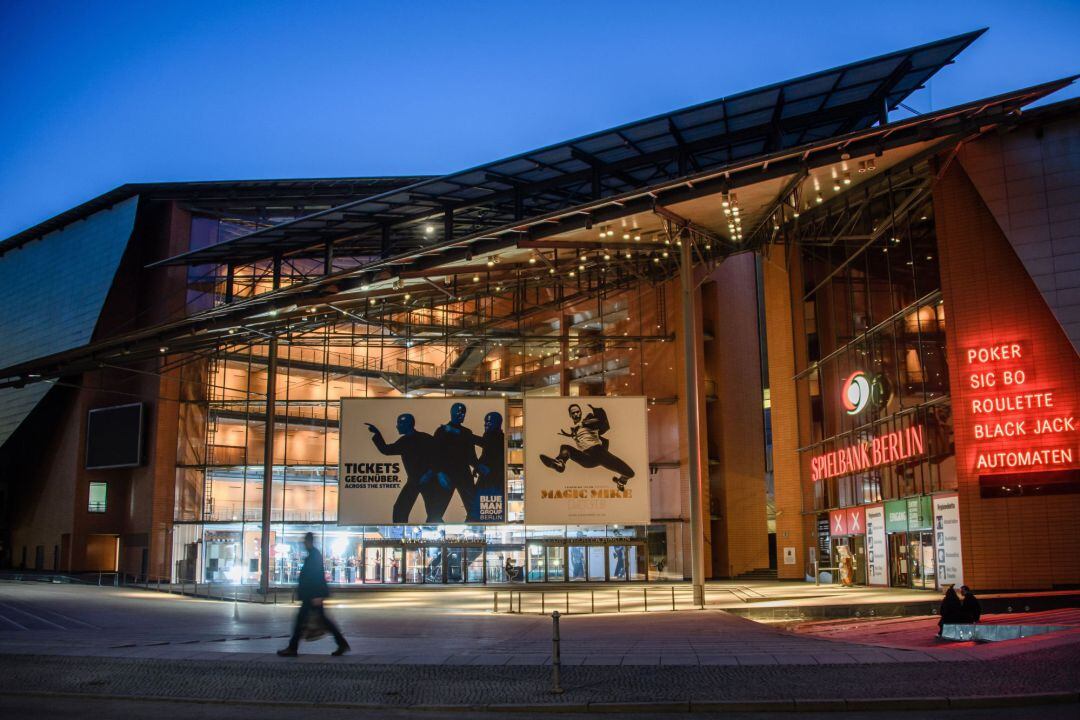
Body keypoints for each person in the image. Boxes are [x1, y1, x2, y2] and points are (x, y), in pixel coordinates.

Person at [278, 532, 349, 657]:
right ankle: (341, 644)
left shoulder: (314, 556)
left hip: (312, 595)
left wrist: (317, 595)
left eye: (305, 542)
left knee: (305, 621)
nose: (303, 544)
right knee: (319, 621)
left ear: (309, 542)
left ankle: (293, 648)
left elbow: (316, 576)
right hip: (311, 595)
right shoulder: (313, 555)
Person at [539, 403, 635, 491]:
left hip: (599, 453)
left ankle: (621, 482)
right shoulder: (574, 430)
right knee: (565, 448)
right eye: (573, 413)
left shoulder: (589, 422)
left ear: (581, 412)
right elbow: (580, 436)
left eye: (577, 412)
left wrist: (594, 412)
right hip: (587, 460)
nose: (576, 414)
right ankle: (560, 463)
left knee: (630, 473)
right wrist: (571, 434)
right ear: (570, 415)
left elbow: (602, 422)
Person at [367, 413, 437, 523]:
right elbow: (386, 450)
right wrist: (377, 434)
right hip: (414, 481)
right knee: (400, 510)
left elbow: (438, 456)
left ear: (407, 424)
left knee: (434, 511)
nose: (397, 426)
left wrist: (430, 473)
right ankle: (400, 534)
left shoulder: (425, 438)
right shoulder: (404, 441)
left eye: (399, 423)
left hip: (429, 481)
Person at [430, 402, 480, 521]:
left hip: (463, 473)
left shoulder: (466, 432)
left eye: (463, 413)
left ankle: (472, 527)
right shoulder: (442, 431)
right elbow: (434, 454)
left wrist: (476, 467)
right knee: (437, 509)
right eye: (458, 412)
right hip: (448, 474)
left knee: (473, 508)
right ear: (451, 413)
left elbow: (471, 455)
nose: (461, 415)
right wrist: (440, 473)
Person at [471, 411, 506, 521]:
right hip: (489, 478)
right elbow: (485, 454)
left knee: (482, 506)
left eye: (489, 422)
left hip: (493, 479)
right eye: (485, 422)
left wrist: (465, 434)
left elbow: (486, 445)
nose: (486, 425)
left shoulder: (497, 437)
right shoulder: (492, 436)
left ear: (497, 423)